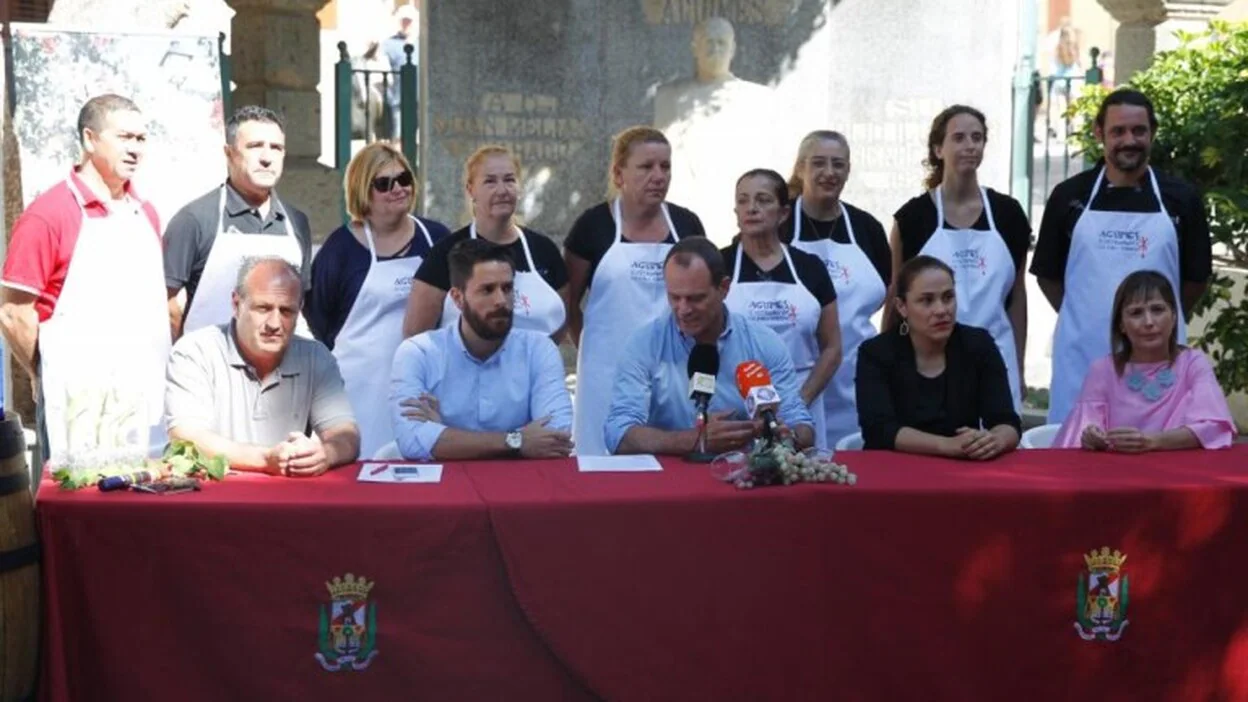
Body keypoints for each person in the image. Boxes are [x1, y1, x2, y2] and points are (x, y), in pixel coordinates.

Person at [0, 94, 169, 480]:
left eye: (142, 139)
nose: (136, 149)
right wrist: (42, 372)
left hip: (145, 405)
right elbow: (13, 311)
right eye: (125, 137)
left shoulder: (146, 213)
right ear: (90, 139)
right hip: (76, 407)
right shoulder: (49, 213)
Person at [1031, 89, 1212, 424]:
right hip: (1082, 356)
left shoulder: (1181, 199)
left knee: (1157, 457)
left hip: (1159, 362)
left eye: (1139, 131)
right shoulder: (1069, 197)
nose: (1129, 140)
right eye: (1118, 131)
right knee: (1077, 458)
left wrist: (1157, 323)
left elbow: (1196, 278)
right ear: (1099, 134)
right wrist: (1088, 316)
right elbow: (1048, 275)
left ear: (1152, 133)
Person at [564, 126, 706, 456]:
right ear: (619, 174)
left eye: (665, 166)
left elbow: (705, 296)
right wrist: (597, 350)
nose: (658, 176)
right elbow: (569, 303)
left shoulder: (687, 226)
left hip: (675, 371)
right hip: (607, 374)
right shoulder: (592, 227)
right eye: (646, 167)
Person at [605, 237, 815, 455]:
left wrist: (787, 435)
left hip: (745, 479)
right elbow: (618, 434)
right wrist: (694, 440)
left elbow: (801, 423)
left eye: (695, 298)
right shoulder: (643, 345)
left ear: (724, 288)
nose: (683, 309)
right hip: (669, 483)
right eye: (674, 297)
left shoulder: (764, 342)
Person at [306, 143, 449, 458]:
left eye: (404, 179)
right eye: (384, 183)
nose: (398, 188)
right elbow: (318, 320)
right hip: (357, 389)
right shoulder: (340, 249)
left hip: (422, 384)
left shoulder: (437, 239)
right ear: (362, 192)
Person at [888, 105, 1030, 411]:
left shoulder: (1009, 215)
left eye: (977, 138)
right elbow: (894, 301)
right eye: (959, 138)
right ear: (938, 148)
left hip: (997, 359)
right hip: (927, 364)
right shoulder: (913, 218)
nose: (970, 146)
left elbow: (1017, 296)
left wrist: (1018, 366)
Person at [165, 257, 360, 477]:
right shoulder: (195, 351)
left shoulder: (316, 357)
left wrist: (326, 454)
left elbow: (345, 434)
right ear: (236, 304)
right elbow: (186, 436)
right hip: (211, 500)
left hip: (284, 501)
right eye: (263, 308)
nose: (274, 324)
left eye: (286, 311)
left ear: (300, 311)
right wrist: (265, 459)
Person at [391, 239, 573, 460]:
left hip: (518, 487)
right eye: (487, 290)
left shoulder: (538, 350)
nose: (501, 301)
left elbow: (557, 437)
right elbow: (412, 441)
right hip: (445, 489)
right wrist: (518, 441)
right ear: (458, 298)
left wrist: (446, 436)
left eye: (507, 288)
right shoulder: (418, 353)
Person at [163, 105, 313, 339]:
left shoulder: (296, 223)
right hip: (209, 368)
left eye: (276, 148)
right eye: (254, 146)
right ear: (229, 153)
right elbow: (166, 304)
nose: (266, 158)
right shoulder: (194, 219)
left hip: (282, 370)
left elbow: (299, 302)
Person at [784, 130, 890, 447]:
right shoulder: (779, 223)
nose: (829, 173)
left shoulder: (867, 228)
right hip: (795, 380)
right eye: (818, 163)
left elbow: (888, 289)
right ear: (801, 168)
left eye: (838, 164)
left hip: (858, 377)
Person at [722, 169, 841, 448]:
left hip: (802, 403)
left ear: (784, 213)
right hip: (736, 410)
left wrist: (798, 402)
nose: (751, 208)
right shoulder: (719, 265)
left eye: (763, 200)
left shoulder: (810, 268)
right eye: (743, 201)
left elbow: (832, 348)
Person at [856, 256, 1020, 459]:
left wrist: (995, 440)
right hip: (892, 471)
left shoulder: (978, 345)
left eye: (948, 297)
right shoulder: (876, 353)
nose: (942, 310)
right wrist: (947, 445)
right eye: (926, 300)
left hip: (964, 471)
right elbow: (879, 430)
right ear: (902, 307)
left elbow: (1007, 421)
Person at [1053, 271, 1235, 451]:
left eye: (1157, 310)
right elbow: (1078, 436)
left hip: (1178, 475)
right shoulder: (1102, 370)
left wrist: (1152, 442)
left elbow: (1214, 427)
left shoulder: (1193, 363)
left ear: (1173, 316)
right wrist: (1091, 438)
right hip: (1115, 475)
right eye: (1136, 313)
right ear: (1121, 324)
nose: (1148, 322)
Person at [403, 145, 568, 339]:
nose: (502, 190)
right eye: (490, 181)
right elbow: (416, 336)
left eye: (509, 180)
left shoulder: (543, 250)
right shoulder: (444, 254)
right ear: (471, 189)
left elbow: (562, 322)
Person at [654, 16, 777, 244]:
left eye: (722, 43)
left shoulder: (758, 99)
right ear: (695, 47)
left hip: (735, 212)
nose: (715, 49)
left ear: (733, 48)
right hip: (685, 213)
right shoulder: (668, 97)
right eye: (709, 42)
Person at [380, 4, 418, 140]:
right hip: (398, 98)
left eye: (409, 21)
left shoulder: (422, 43)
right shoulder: (388, 44)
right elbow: (379, 65)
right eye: (404, 21)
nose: (406, 24)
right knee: (399, 136)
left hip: (422, 98)